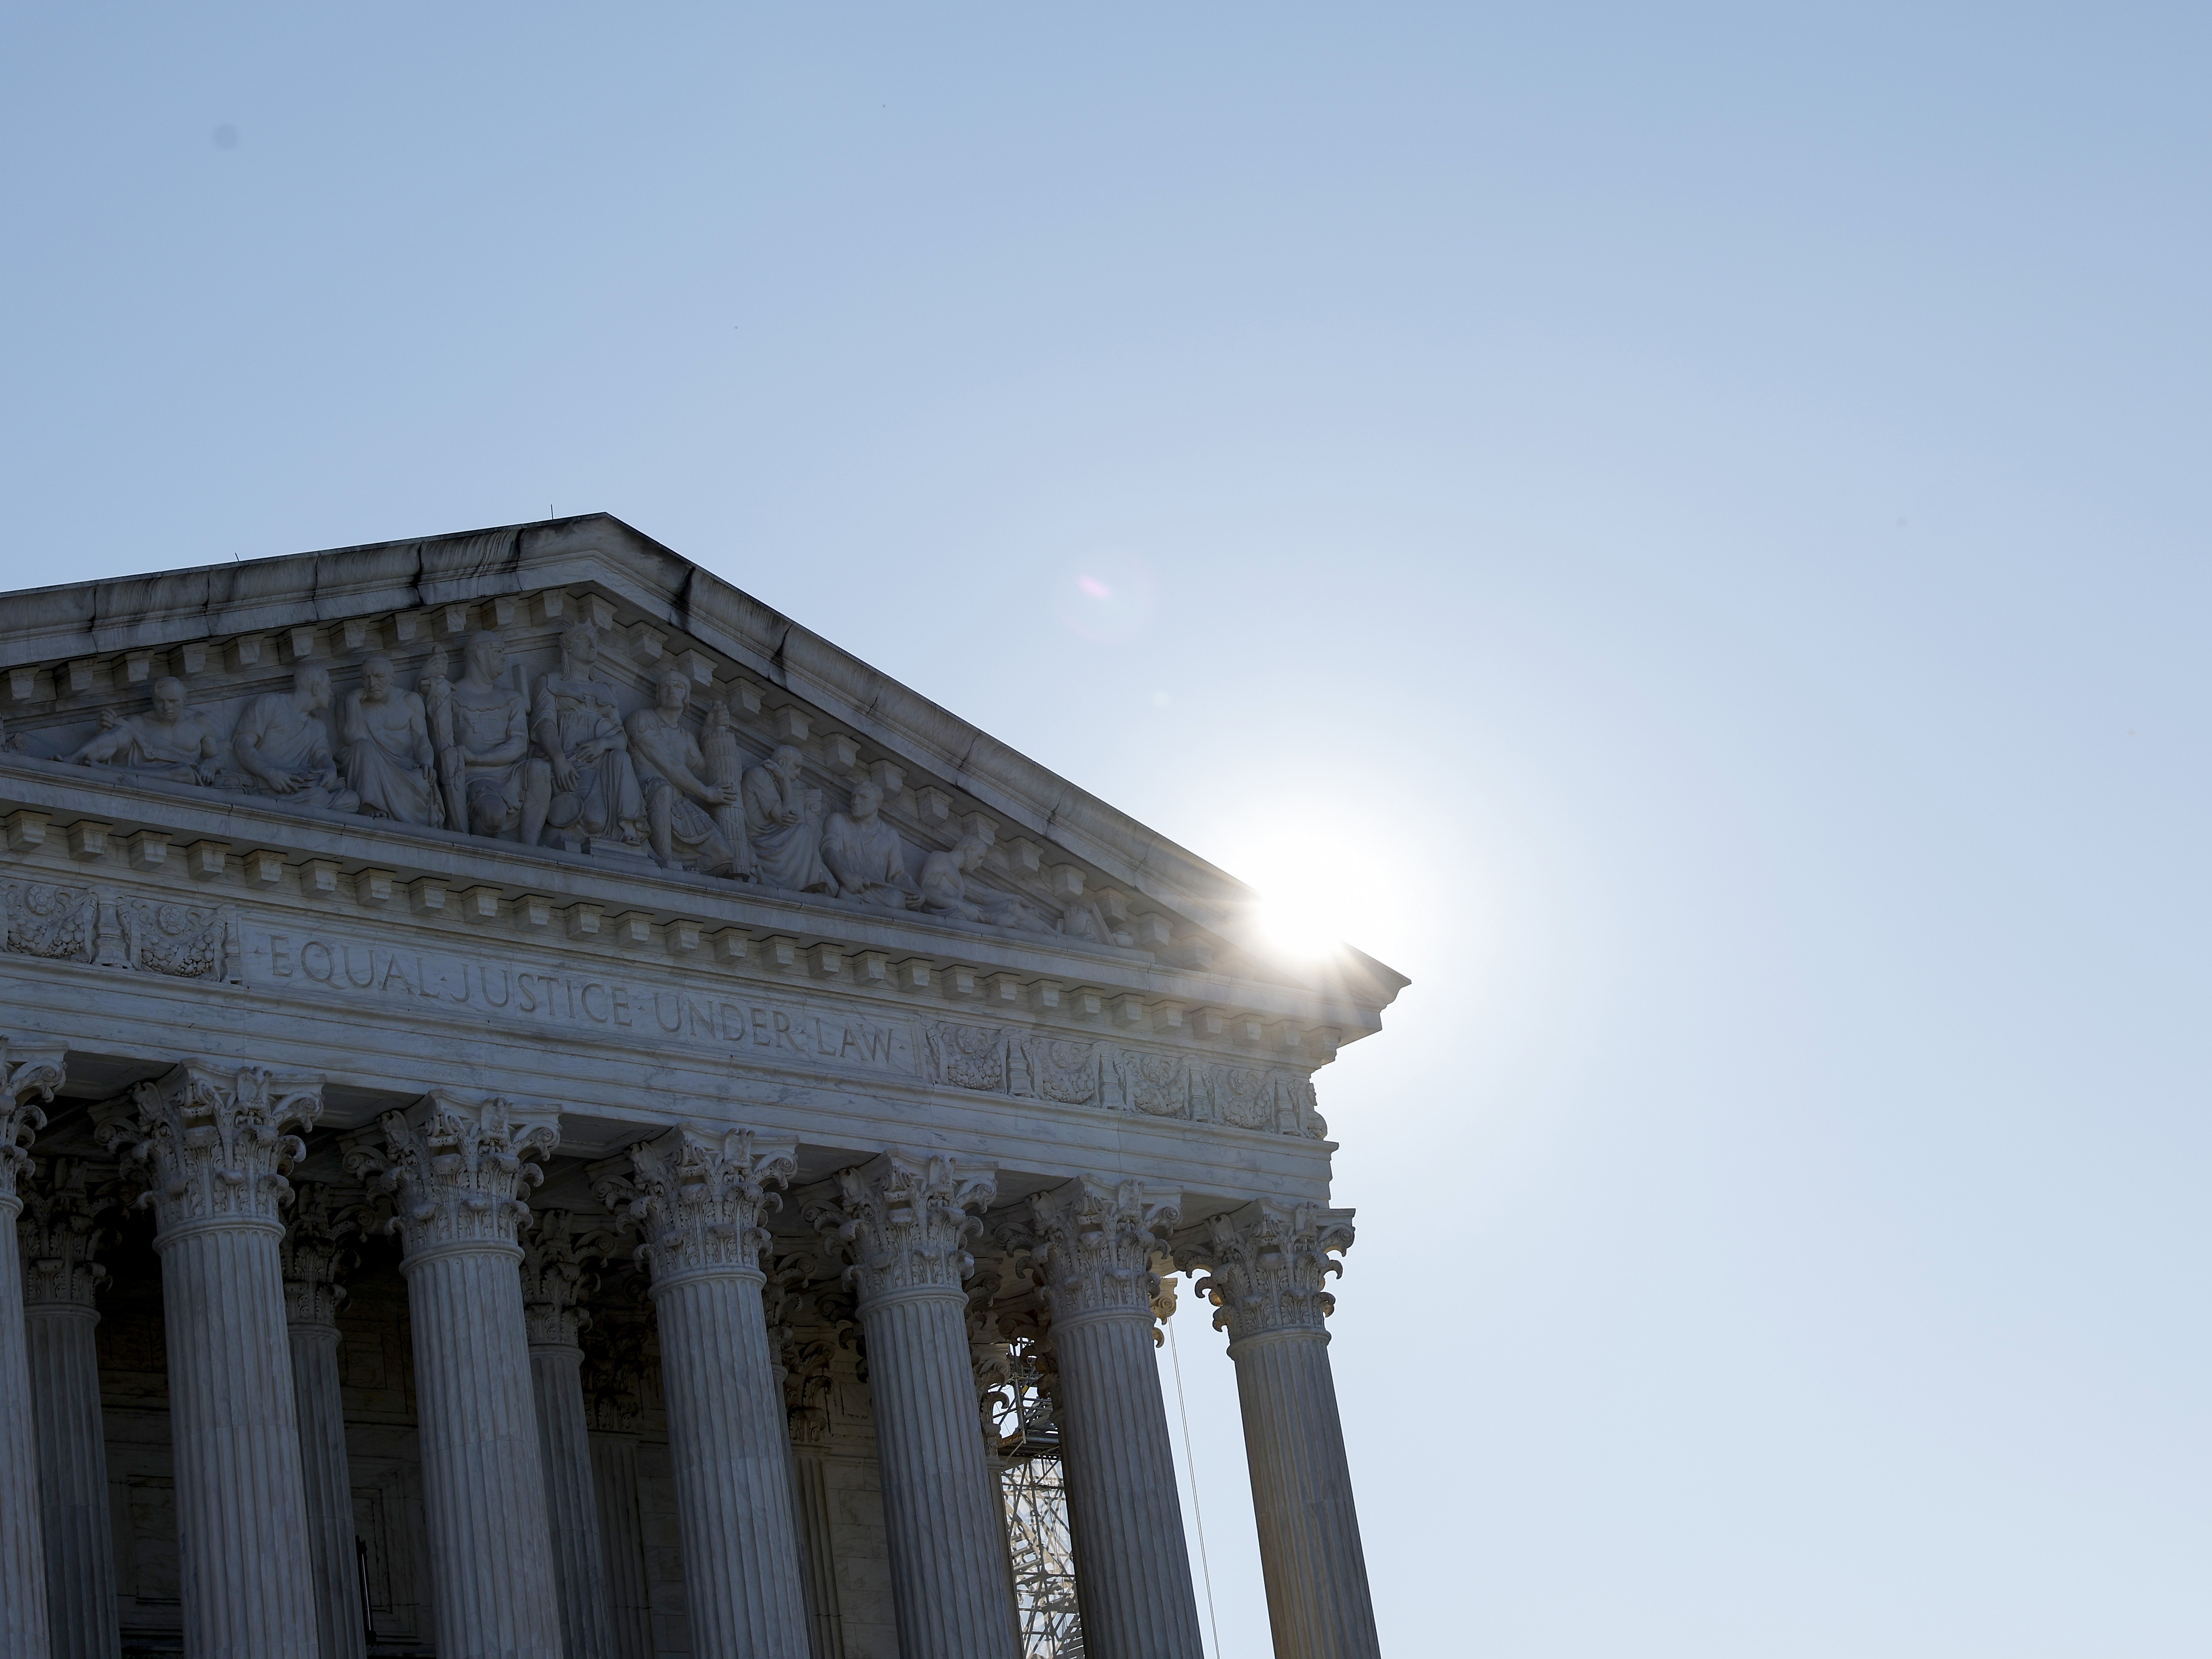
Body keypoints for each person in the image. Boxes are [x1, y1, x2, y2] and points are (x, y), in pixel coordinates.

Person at [527, 622, 645, 849]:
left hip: (600, 765)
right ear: (568, 647)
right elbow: (544, 724)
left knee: (621, 757)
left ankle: (629, 827)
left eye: (596, 641)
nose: (593, 645)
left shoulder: (607, 689)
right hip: (567, 764)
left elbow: (621, 738)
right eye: (584, 639)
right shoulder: (550, 681)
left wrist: (603, 744)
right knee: (594, 819)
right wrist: (559, 760)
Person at [626, 668, 740, 872]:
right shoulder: (641, 719)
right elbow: (667, 764)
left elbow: (704, 774)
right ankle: (667, 866)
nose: (671, 691)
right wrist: (707, 793)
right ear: (658, 694)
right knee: (663, 789)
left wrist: (712, 731)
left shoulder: (686, 737)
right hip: (645, 795)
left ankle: (687, 874)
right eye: (666, 687)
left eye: (678, 687)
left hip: (678, 804)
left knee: (723, 855)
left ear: (686, 697)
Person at [439, 632, 540, 840]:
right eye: (497, 652)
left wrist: (477, 758)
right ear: (479, 655)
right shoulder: (451, 697)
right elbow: (439, 741)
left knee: (540, 768)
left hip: (510, 774)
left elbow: (520, 744)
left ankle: (531, 846)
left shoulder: (512, 698)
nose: (503, 658)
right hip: (475, 778)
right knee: (493, 816)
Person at [230, 665, 360, 813]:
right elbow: (242, 744)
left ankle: (291, 804)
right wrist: (270, 773)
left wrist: (331, 771)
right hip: (268, 782)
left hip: (302, 785)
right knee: (318, 796)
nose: (331, 693)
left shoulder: (318, 726)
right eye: (328, 687)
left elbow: (321, 756)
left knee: (351, 800)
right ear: (316, 688)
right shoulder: (270, 703)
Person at [67, 677, 228, 786]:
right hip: (145, 765)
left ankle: (110, 772)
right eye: (160, 701)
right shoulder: (139, 721)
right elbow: (112, 744)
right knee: (122, 732)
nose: (167, 707)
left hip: (177, 773)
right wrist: (103, 729)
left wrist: (212, 764)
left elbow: (217, 755)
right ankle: (72, 759)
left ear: (184, 700)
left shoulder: (199, 722)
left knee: (184, 771)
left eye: (173, 701)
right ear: (153, 701)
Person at [339, 654, 439, 825]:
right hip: (371, 768)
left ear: (392, 678)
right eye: (366, 678)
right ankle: (369, 805)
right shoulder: (353, 703)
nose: (372, 683)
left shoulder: (409, 700)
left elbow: (421, 738)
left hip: (404, 768)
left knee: (423, 780)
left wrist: (427, 763)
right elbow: (355, 738)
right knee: (362, 747)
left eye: (379, 676)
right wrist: (352, 701)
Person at [740, 743, 831, 892]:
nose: (799, 774)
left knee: (805, 832)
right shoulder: (758, 774)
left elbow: (792, 819)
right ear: (782, 763)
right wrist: (785, 781)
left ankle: (805, 885)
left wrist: (784, 782)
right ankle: (800, 885)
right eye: (796, 767)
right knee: (805, 832)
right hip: (758, 840)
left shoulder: (774, 782)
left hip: (771, 837)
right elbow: (785, 818)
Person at [820, 776, 921, 908]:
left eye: (863, 797)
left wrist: (917, 892)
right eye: (854, 797)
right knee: (845, 894)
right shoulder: (838, 821)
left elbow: (897, 875)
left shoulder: (890, 835)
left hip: (878, 893)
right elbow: (829, 851)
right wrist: (846, 876)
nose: (856, 802)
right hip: (849, 887)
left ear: (878, 803)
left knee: (897, 899)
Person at [917, 834, 1054, 931]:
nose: (980, 865)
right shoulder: (940, 858)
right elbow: (927, 888)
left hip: (969, 913)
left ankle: (1054, 935)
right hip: (954, 913)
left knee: (1012, 906)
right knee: (1008, 920)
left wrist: (1016, 898)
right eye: (979, 858)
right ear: (969, 851)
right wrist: (962, 906)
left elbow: (985, 895)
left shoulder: (962, 879)